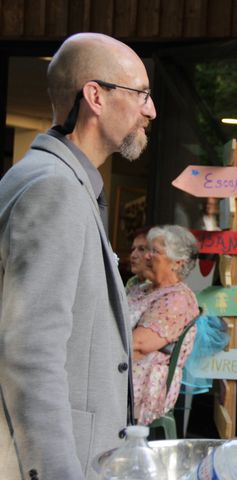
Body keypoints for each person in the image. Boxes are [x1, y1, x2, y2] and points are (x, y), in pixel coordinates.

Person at [0, 33, 156, 479]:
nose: (151, 110)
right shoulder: (55, 188)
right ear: (95, 96)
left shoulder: (56, 180)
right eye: (141, 94)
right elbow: (30, 351)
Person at [128, 225, 200, 425]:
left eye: (155, 251)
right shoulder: (141, 289)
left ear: (177, 263)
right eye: (148, 250)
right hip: (122, 372)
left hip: (141, 384)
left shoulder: (178, 298)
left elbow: (139, 345)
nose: (147, 256)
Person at [125, 227, 151, 292]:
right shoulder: (132, 282)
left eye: (141, 249)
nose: (133, 255)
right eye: (133, 249)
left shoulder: (157, 285)